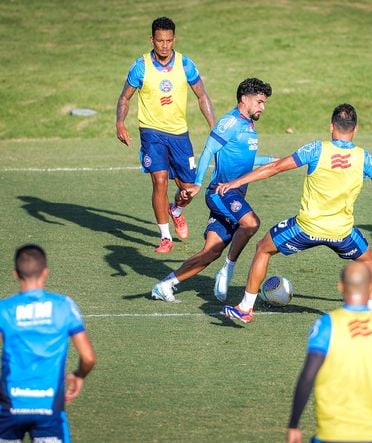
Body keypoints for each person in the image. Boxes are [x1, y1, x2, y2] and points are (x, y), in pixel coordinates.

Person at [217, 103, 372, 323]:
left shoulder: (316, 149)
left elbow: (275, 167)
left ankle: (246, 308)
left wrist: (238, 182)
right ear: (356, 129)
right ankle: (369, 317)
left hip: (305, 228)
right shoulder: (364, 158)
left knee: (263, 248)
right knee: (368, 262)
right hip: (342, 233)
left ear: (331, 126)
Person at [151, 78, 275, 303]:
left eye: (264, 103)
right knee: (251, 223)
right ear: (244, 99)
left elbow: (246, 160)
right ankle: (227, 270)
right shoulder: (230, 122)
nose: (262, 107)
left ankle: (165, 285)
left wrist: (275, 162)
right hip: (221, 193)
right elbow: (209, 149)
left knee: (211, 252)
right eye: (259, 102)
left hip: (233, 195)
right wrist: (198, 182)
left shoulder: (248, 125)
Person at [286, 262, 372, 443]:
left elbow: (308, 377)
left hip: (331, 434)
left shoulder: (326, 325)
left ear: (340, 287)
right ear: (370, 287)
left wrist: (293, 425)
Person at [116, 16, 216, 253]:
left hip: (179, 134)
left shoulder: (185, 64)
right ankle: (165, 237)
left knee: (189, 188)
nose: (164, 45)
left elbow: (202, 95)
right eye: (159, 41)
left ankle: (176, 210)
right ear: (152, 39)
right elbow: (124, 97)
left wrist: (214, 127)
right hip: (151, 132)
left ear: (174, 39)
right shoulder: (141, 66)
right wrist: (120, 122)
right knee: (159, 180)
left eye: (168, 41)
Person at [0, 245, 96, 442]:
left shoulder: (4, 309)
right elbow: (88, 358)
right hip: (49, 407)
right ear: (45, 272)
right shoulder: (63, 306)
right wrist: (78, 375)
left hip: (10, 406)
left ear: (16, 274)